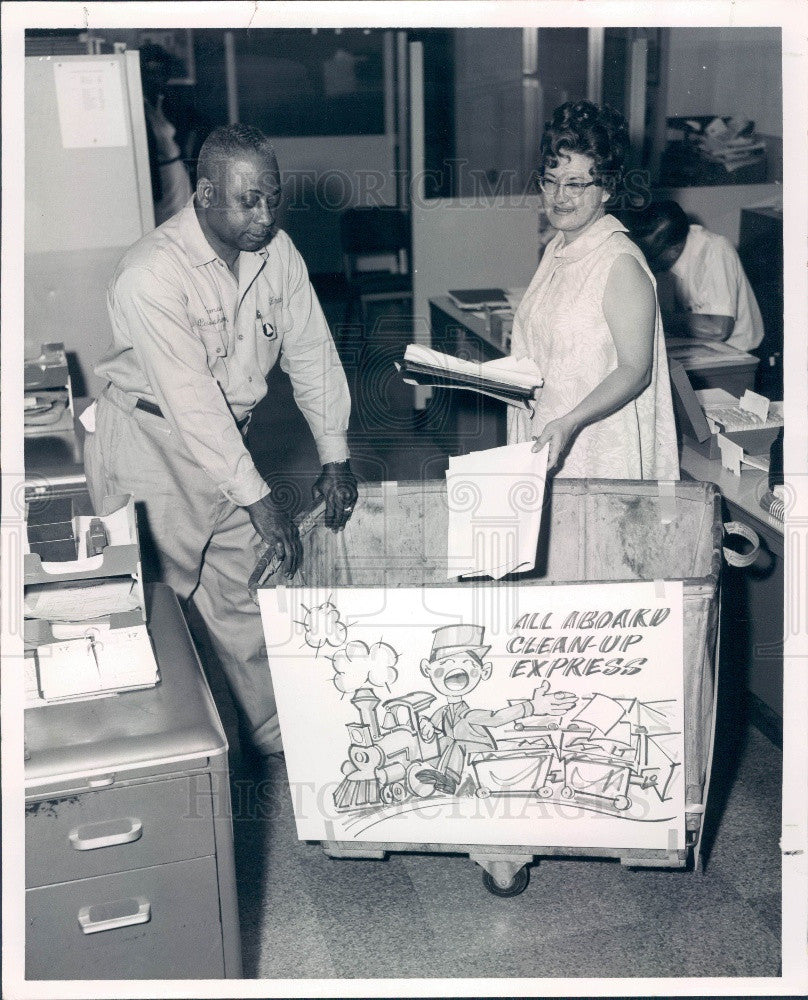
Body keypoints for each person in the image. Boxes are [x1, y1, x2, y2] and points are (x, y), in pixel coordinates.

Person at [83, 124, 358, 758]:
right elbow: (189, 402)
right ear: (204, 193)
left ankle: (278, 751)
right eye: (248, 200)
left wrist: (334, 452)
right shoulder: (150, 273)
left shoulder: (278, 254)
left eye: (273, 198)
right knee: (148, 610)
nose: (265, 215)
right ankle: (134, 760)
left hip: (228, 446)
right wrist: (259, 499)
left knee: (246, 597)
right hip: (150, 449)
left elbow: (312, 353)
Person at [508, 101, 679, 480]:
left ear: (606, 189)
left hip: (592, 441)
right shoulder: (558, 246)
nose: (558, 197)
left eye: (574, 184)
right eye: (549, 181)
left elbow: (636, 371)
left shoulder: (619, 263)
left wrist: (570, 422)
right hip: (550, 429)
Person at [415, 625, 577, 795]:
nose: (457, 672)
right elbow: (431, 729)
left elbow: (497, 718)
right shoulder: (443, 712)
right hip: (458, 755)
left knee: (457, 744)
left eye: (467, 665)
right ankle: (438, 775)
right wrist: (424, 723)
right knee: (444, 743)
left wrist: (532, 706)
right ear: (427, 669)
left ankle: (449, 780)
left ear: (484, 672)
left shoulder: (469, 715)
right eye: (445, 664)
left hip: (480, 752)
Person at [626, 199, 764, 353]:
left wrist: (650, 317)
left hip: (737, 354)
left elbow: (718, 329)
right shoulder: (662, 257)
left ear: (674, 250)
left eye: (649, 256)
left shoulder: (715, 250)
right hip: (695, 347)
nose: (644, 262)